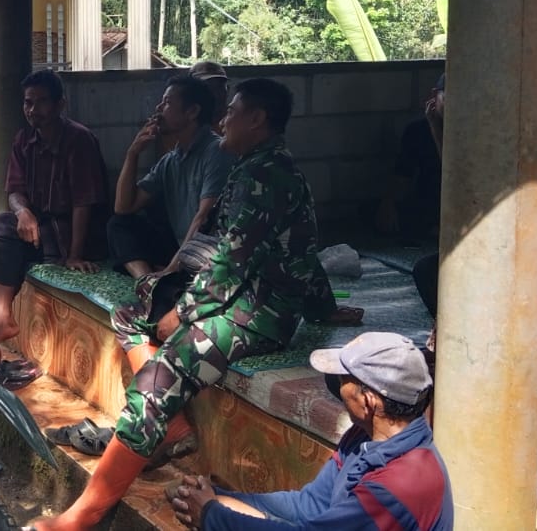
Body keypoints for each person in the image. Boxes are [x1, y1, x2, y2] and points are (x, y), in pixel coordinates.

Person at [28, 79, 362, 531]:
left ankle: (84, 515)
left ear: (257, 119)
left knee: (156, 382)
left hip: (258, 315)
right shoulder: (258, 166)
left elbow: (232, 261)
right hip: (238, 299)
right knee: (133, 313)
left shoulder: (266, 175)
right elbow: (298, 247)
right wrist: (323, 307)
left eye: (233, 112)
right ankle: (173, 427)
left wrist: (182, 313)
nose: (224, 120)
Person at [169, 332, 453, 530]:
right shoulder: (364, 435)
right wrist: (217, 497)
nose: (336, 386)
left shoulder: (403, 484)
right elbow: (310, 505)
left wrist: (211, 515)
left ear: (368, 401)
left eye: (343, 379)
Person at [0, 69, 108, 372]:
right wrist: (22, 212)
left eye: (41, 102)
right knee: (0, 236)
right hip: (39, 228)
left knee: (0, 248)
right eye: (28, 102)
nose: (33, 110)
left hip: (70, 231)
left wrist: (75, 255)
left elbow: (84, 202)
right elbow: (14, 191)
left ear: (60, 104)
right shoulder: (24, 139)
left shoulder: (79, 140)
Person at [108, 75, 232, 279]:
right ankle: (147, 281)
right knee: (118, 224)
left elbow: (204, 218)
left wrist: (171, 269)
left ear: (192, 112)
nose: (158, 108)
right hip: (177, 246)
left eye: (167, 102)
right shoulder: (171, 160)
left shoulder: (216, 151)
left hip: (207, 250)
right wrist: (133, 154)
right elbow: (123, 208)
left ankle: (165, 279)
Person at [376, 73, 446, 246]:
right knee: (370, 212)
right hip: (428, 202)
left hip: (459, 202)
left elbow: (452, 172)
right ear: (434, 95)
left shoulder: (471, 130)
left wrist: (435, 129)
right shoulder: (416, 130)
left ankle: (439, 230)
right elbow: (403, 173)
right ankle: (433, 229)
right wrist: (389, 202)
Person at [189, 61, 230, 137]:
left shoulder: (237, 123)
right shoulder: (181, 125)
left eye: (220, 87)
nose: (215, 94)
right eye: (208, 88)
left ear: (228, 90)